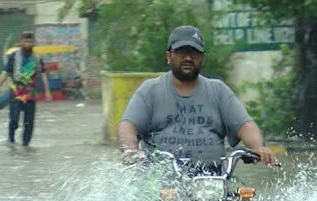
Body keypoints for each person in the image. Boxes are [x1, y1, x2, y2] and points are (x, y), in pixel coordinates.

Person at [118, 25, 276, 166]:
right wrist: (130, 150)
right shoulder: (150, 90)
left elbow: (245, 125)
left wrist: (258, 147)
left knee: (243, 196)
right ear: (168, 57)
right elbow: (128, 125)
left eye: (194, 53)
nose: (188, 58)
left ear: (202, 58)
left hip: (211, 181)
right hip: (160, 180)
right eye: (181, 53)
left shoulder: (218, 90)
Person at [0, 31, 52, 146]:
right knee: (14, 119)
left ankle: (26, 145)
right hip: (16, 92)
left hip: (31, 93)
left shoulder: (37, 58)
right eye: (25, 41)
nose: (28, 44)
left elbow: (43, 75)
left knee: (29, 123)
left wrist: (47, 92)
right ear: (21, 42)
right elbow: (5, 72)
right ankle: (11, 140)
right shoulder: (14, 56)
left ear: (33, 42)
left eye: (30, 41)